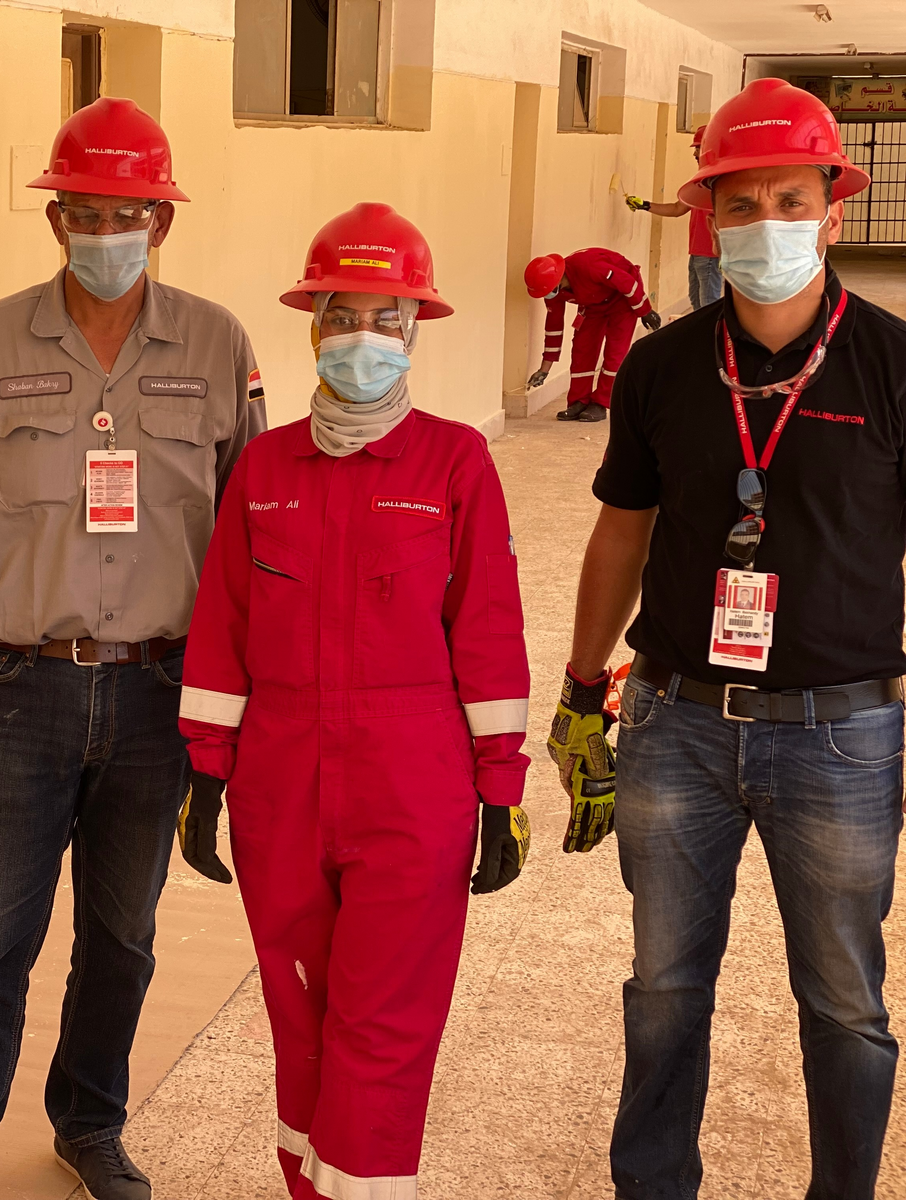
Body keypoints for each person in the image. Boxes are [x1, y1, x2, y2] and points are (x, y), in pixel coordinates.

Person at [0, 96, 266, 1200]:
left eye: (124, 212)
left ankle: (90, 1125)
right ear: (54, 222)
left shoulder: (220, 342)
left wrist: (249, 706)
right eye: (80, 213)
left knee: (121, 937)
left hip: (159, 690)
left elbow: (249, 540)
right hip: (18, 690)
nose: (101, 233)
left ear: (163, 221)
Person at [547, 78, 902, 1199]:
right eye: (735, 206)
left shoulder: (895, 366)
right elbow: (619, 534)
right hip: (674, 724)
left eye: (785, 199)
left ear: (833, 209)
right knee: (662, 987)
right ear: (707, 219)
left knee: (842, 998)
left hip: (842, 736)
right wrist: (576, 684)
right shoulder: (662, 364)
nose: (760, 226)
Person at [176, 203, 532, 1200]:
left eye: (387, 320)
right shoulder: (265, 467)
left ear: (415, 333)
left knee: (379, 1022)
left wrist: (498, 789)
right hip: (279, 782)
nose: (363, 341)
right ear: (312, 326)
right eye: (344, 317)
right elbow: (224, 629)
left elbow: (490, 636)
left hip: (410, 782)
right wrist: (205, 774)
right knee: (301, 1012)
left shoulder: (453, 464)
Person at [524, 247, 663, 422]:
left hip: (622, 301)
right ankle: (579, 401)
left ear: (559, 279)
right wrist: (544, 370)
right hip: (593, 305)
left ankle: (601, 403)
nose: (548, 295)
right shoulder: (553, 290)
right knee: (582, 349)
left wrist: (644, 310)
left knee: (615, 352)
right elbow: (553, 327)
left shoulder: (589, 267)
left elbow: (627, 282)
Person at [626, 126, 724, 310]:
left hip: (710, 255)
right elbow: (678, 208)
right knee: (697, 304)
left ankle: (711, 339)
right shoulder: (699, 181)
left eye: (698, 148)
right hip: (696, 254)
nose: (694, 153)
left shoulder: (719, 182)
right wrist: (645, 205)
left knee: (708, 308)